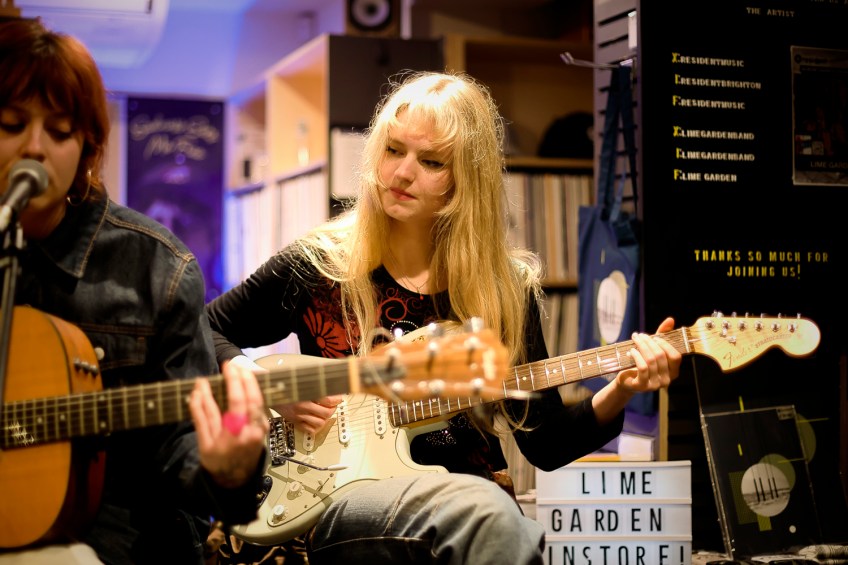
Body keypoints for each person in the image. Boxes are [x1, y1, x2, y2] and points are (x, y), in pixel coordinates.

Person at [206, 70, 682, 564]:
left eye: (430, 161)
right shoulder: (320, 264)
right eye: (393, 150)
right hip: (347, 503)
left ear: (466, 181)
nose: (401, 173)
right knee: (489, 514)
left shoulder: (503, 291)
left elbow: (546, 444)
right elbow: (203, 329)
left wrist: (621, 387)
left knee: (491, 516)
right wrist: (261, 383)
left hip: (471, 505)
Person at [0, 17, 268, 564]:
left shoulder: (157, 268)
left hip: (118, 539)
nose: (34, 148)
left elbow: (180, 449)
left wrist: (229, 471)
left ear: (87, 144)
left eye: (59, 131)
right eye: (10, 124)